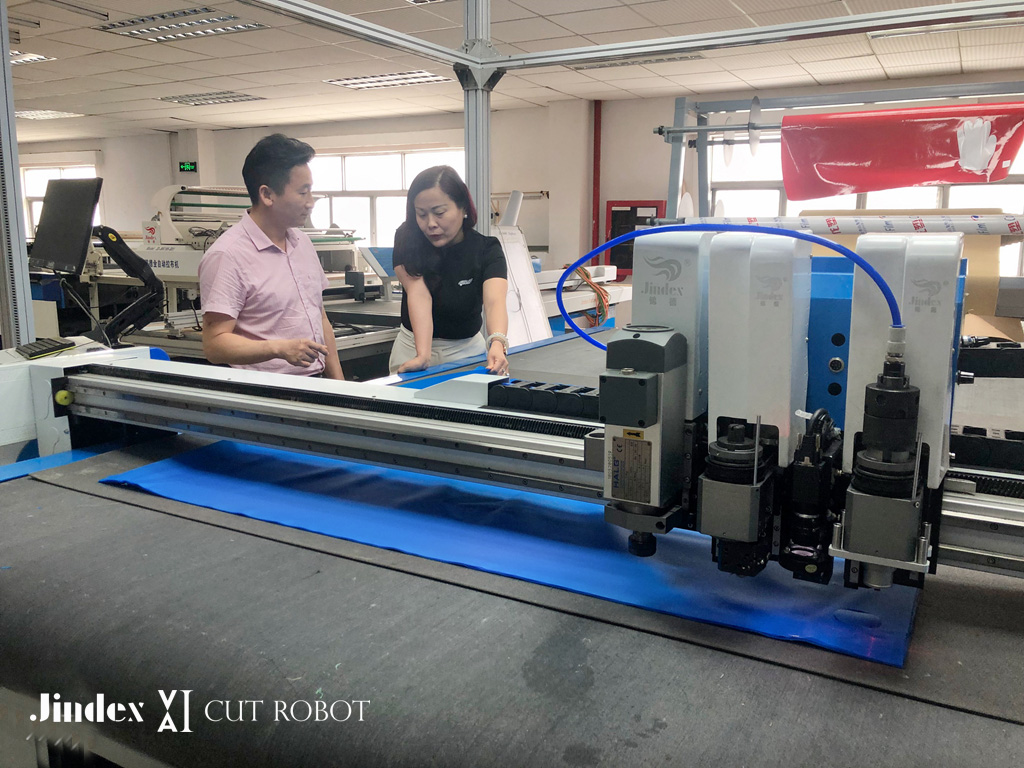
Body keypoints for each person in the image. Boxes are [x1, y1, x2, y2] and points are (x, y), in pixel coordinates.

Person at [199, 134, 344, 379]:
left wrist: (340, 386)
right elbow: (215, 345)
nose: (311, 203)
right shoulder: (228, 255)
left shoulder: (303, 243)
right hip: (265, 389)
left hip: (315, 383)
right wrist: (277, 349)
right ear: (267, 195)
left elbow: (320, 317)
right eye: (303, 193)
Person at [389, 165, 509, 375]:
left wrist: (497, 343)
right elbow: (419, 293)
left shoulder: (486, 249)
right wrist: (422, 355)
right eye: (421, 214)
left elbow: (494, 301)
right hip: (411, 347)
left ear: (463, 208)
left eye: (439, 213)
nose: (430, 224)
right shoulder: (407, 238)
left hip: (465, 351)